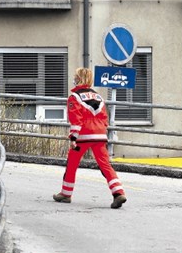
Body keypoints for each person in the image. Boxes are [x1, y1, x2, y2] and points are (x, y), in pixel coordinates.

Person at [53, 67, 127, 208]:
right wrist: (101, 131)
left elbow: (76, 119)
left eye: (75, 76)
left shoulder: (74, 97)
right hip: (99, 136)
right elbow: (105, 118)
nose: (73, 79)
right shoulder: (98, 97)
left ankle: (66, 193)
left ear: (79, 79)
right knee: (105, 164)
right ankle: (118, 192)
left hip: (83, 136)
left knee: (72, 163)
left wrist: (73, 138)